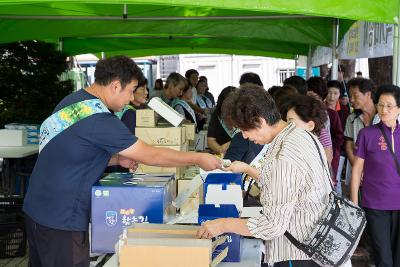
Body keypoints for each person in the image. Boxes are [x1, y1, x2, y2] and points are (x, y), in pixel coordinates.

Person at [23, 56, 221, 267]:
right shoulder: (99, 118)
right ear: (116, 86)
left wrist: (115, 159)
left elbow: (71, 153)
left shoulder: (72, 102)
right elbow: (152, 155)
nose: (130, 98)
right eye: (131, 90)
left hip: (36, 210)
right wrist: (198, 158)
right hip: (62, 220)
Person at [197, 84, 331, 267]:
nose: (243, 137)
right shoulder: (300, 135)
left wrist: (223, 224)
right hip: (319, 242)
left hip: (298, 253)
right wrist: (246, 168)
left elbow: (272, 226)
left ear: (260, 121)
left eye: (244, 130)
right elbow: (284, 181)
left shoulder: (284, 154)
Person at [350, 84, 400, 267]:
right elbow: (356, 171)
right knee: (383, 258)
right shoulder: (367, 134)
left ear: (399, 109)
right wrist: (354, 204)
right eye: (380, 105)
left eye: (389, 106)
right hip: (375, 205)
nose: (383, 110)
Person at [207, 86, 238, 154]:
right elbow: (210, 140)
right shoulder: (217, 115)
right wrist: (220, 150)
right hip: (223, 156)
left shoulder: (243, 115)